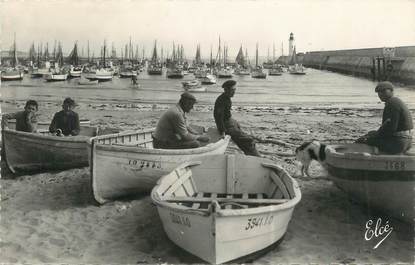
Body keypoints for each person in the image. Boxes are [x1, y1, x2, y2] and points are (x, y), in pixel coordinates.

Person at [356, 81, 413, 154]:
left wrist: (373, 136)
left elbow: (390, 129)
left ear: (392, 91)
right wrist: (376, 133)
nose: (380, 94)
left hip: (398, 142)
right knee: (371, 135)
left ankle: (363, 159)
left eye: (383, 91)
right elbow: (389, 127)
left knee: (363, 140)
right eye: (379, 92)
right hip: (407, 141)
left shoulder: (391, 104)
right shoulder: (397, 101)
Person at [214, 80, 260, 156]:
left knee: (245, 137)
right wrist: (222, 131)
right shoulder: (222, 100)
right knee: (248, 140)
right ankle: (255, 156)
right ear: (226, 90)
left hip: (230, 122)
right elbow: (218, 117)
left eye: (234, 90)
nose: (234, 92)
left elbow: (226, 114)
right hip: (226, 126)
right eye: (232, 90)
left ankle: (251, 153)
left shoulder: (226, 98)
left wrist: (234, 122)